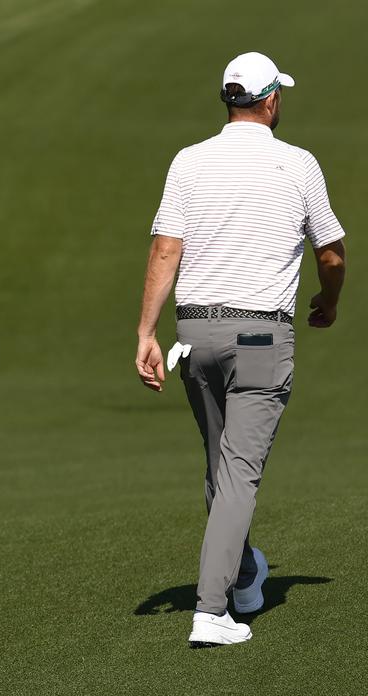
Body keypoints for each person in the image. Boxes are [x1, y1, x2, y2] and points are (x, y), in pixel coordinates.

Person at [135, 52, 347, 648]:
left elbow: (164, 250)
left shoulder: (188, 160)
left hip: (193, 335)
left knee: (221, 465)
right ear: (271, 100)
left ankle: (246, 570)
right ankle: (211, 611)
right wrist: (329, 302)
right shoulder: (297, 164)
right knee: (240, 474)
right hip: (260, 337)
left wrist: (145, 333)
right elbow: (330, 253)